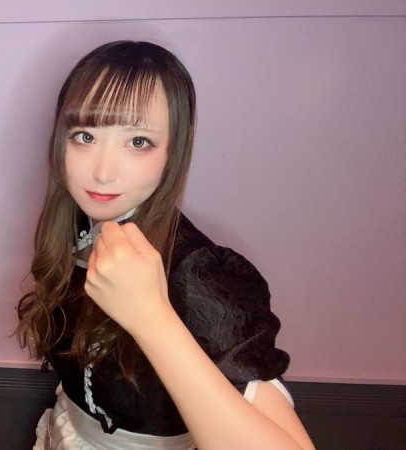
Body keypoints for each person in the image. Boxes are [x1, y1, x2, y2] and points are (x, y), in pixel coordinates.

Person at [16, 41, 314, 449]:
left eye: (138, 142)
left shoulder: (200, 274)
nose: (103, 172)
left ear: (174, 149)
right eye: (85, 136)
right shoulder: (77, 228)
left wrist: (151, 315)